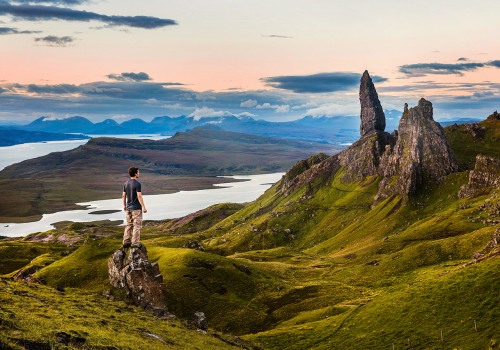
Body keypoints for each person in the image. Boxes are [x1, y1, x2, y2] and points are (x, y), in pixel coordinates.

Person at [122, 166, 147, 249]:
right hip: (136, 208)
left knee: (129, 224)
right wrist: (143, 207)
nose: (139, 173)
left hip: (128, 208)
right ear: (135, 173)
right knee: (137, 226)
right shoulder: (137, 183)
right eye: (138, 172)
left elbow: (123, 195)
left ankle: (126, 241)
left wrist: (124, 205)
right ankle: (135, 243)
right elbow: (139, 196)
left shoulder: (126, 183)